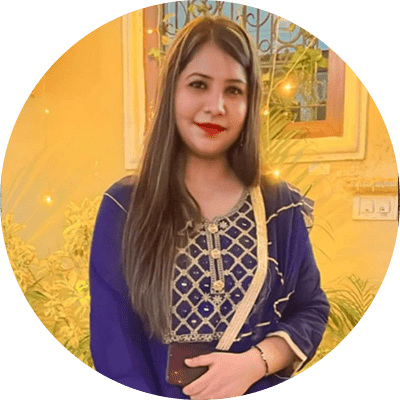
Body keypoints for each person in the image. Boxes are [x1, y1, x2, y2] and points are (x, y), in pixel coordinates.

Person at [90, 15, 329, 399]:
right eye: (199, 84)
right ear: (172, 91)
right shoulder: (125, 206)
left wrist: (257, 361)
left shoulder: (278, 205)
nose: (216, 106)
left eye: (233, 90)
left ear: (250, 103)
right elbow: (113, 343)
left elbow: (310, 308)